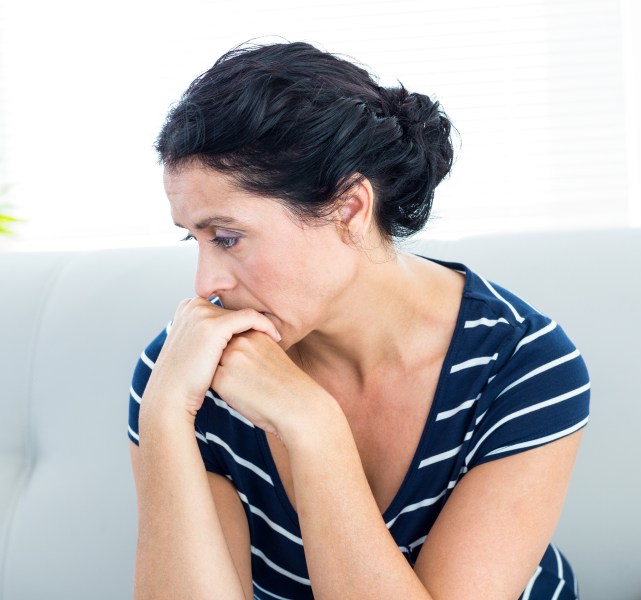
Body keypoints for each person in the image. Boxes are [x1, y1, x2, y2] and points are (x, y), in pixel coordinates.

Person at [128, 41, 590, 600]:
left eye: (228, 238)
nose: (205, 285)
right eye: (195, 239)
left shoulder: (522, 364)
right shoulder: (189, 366)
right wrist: (162, 412)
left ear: (349, 208)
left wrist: (315, 427)